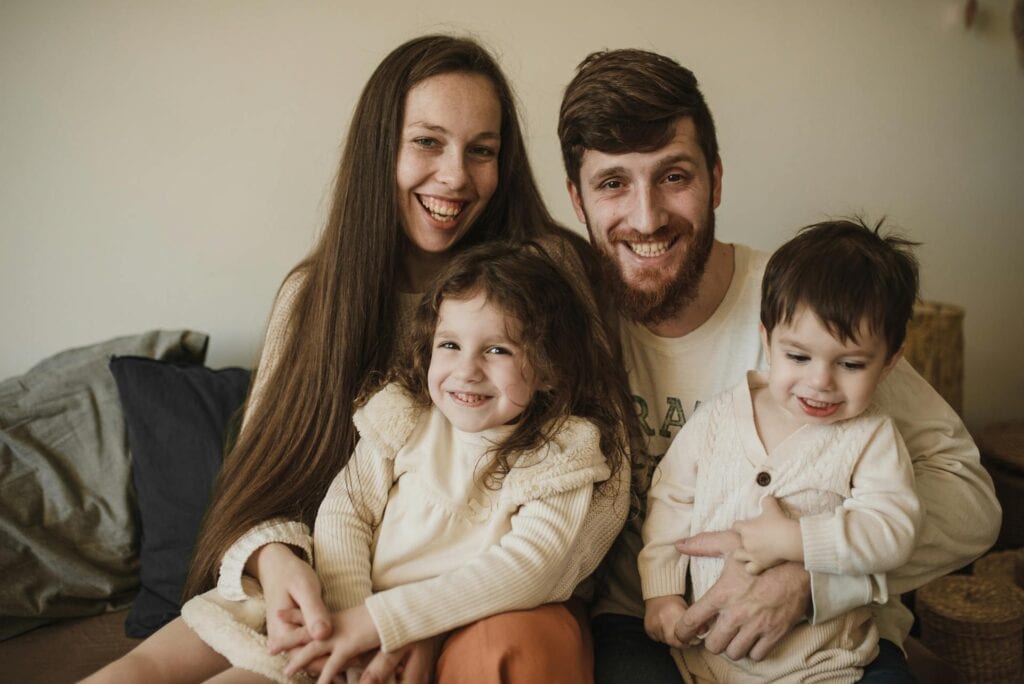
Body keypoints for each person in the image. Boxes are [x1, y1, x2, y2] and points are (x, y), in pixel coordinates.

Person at [85, 35, 634, 684]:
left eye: (481, 151)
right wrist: (277, 558)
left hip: (454, 601)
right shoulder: (315, 295)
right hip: (325, 577)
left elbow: (600, 494)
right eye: (428, 141)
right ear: (381, 148)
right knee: (142, 668)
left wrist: (405, 622)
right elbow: (264, 477)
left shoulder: (548, 274)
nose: (457, 175)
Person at [557, 48, 1000, 682]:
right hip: (653, 629)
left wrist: (812, 576)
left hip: (827, 640)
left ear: (716, 177)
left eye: (674, 176)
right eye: (613, 184)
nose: (647, 216)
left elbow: (971, 504)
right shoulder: (570, 321)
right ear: (577, 198)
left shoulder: (809, 314)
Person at [92, 243, 630, 684]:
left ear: (551, 370)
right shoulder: (406, 416)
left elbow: (530, 568)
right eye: (449, 344)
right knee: (141, 668)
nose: (466, 370)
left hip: (401, 633)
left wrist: (379, 625)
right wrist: (350, 607)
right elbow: (346, 511)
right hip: (324, 602)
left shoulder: (561, 453)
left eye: (498, 351)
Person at [640, 220, 923, 682]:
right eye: (798, 357)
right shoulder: (715, 419)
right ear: (766, 338)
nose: (820, 382)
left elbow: (893, 529)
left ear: (890, 361)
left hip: (821, 667)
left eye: (850, 364)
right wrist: (662, 592)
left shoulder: (871, 438)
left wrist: (796, 542)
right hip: (702, 662)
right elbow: (670, 501)